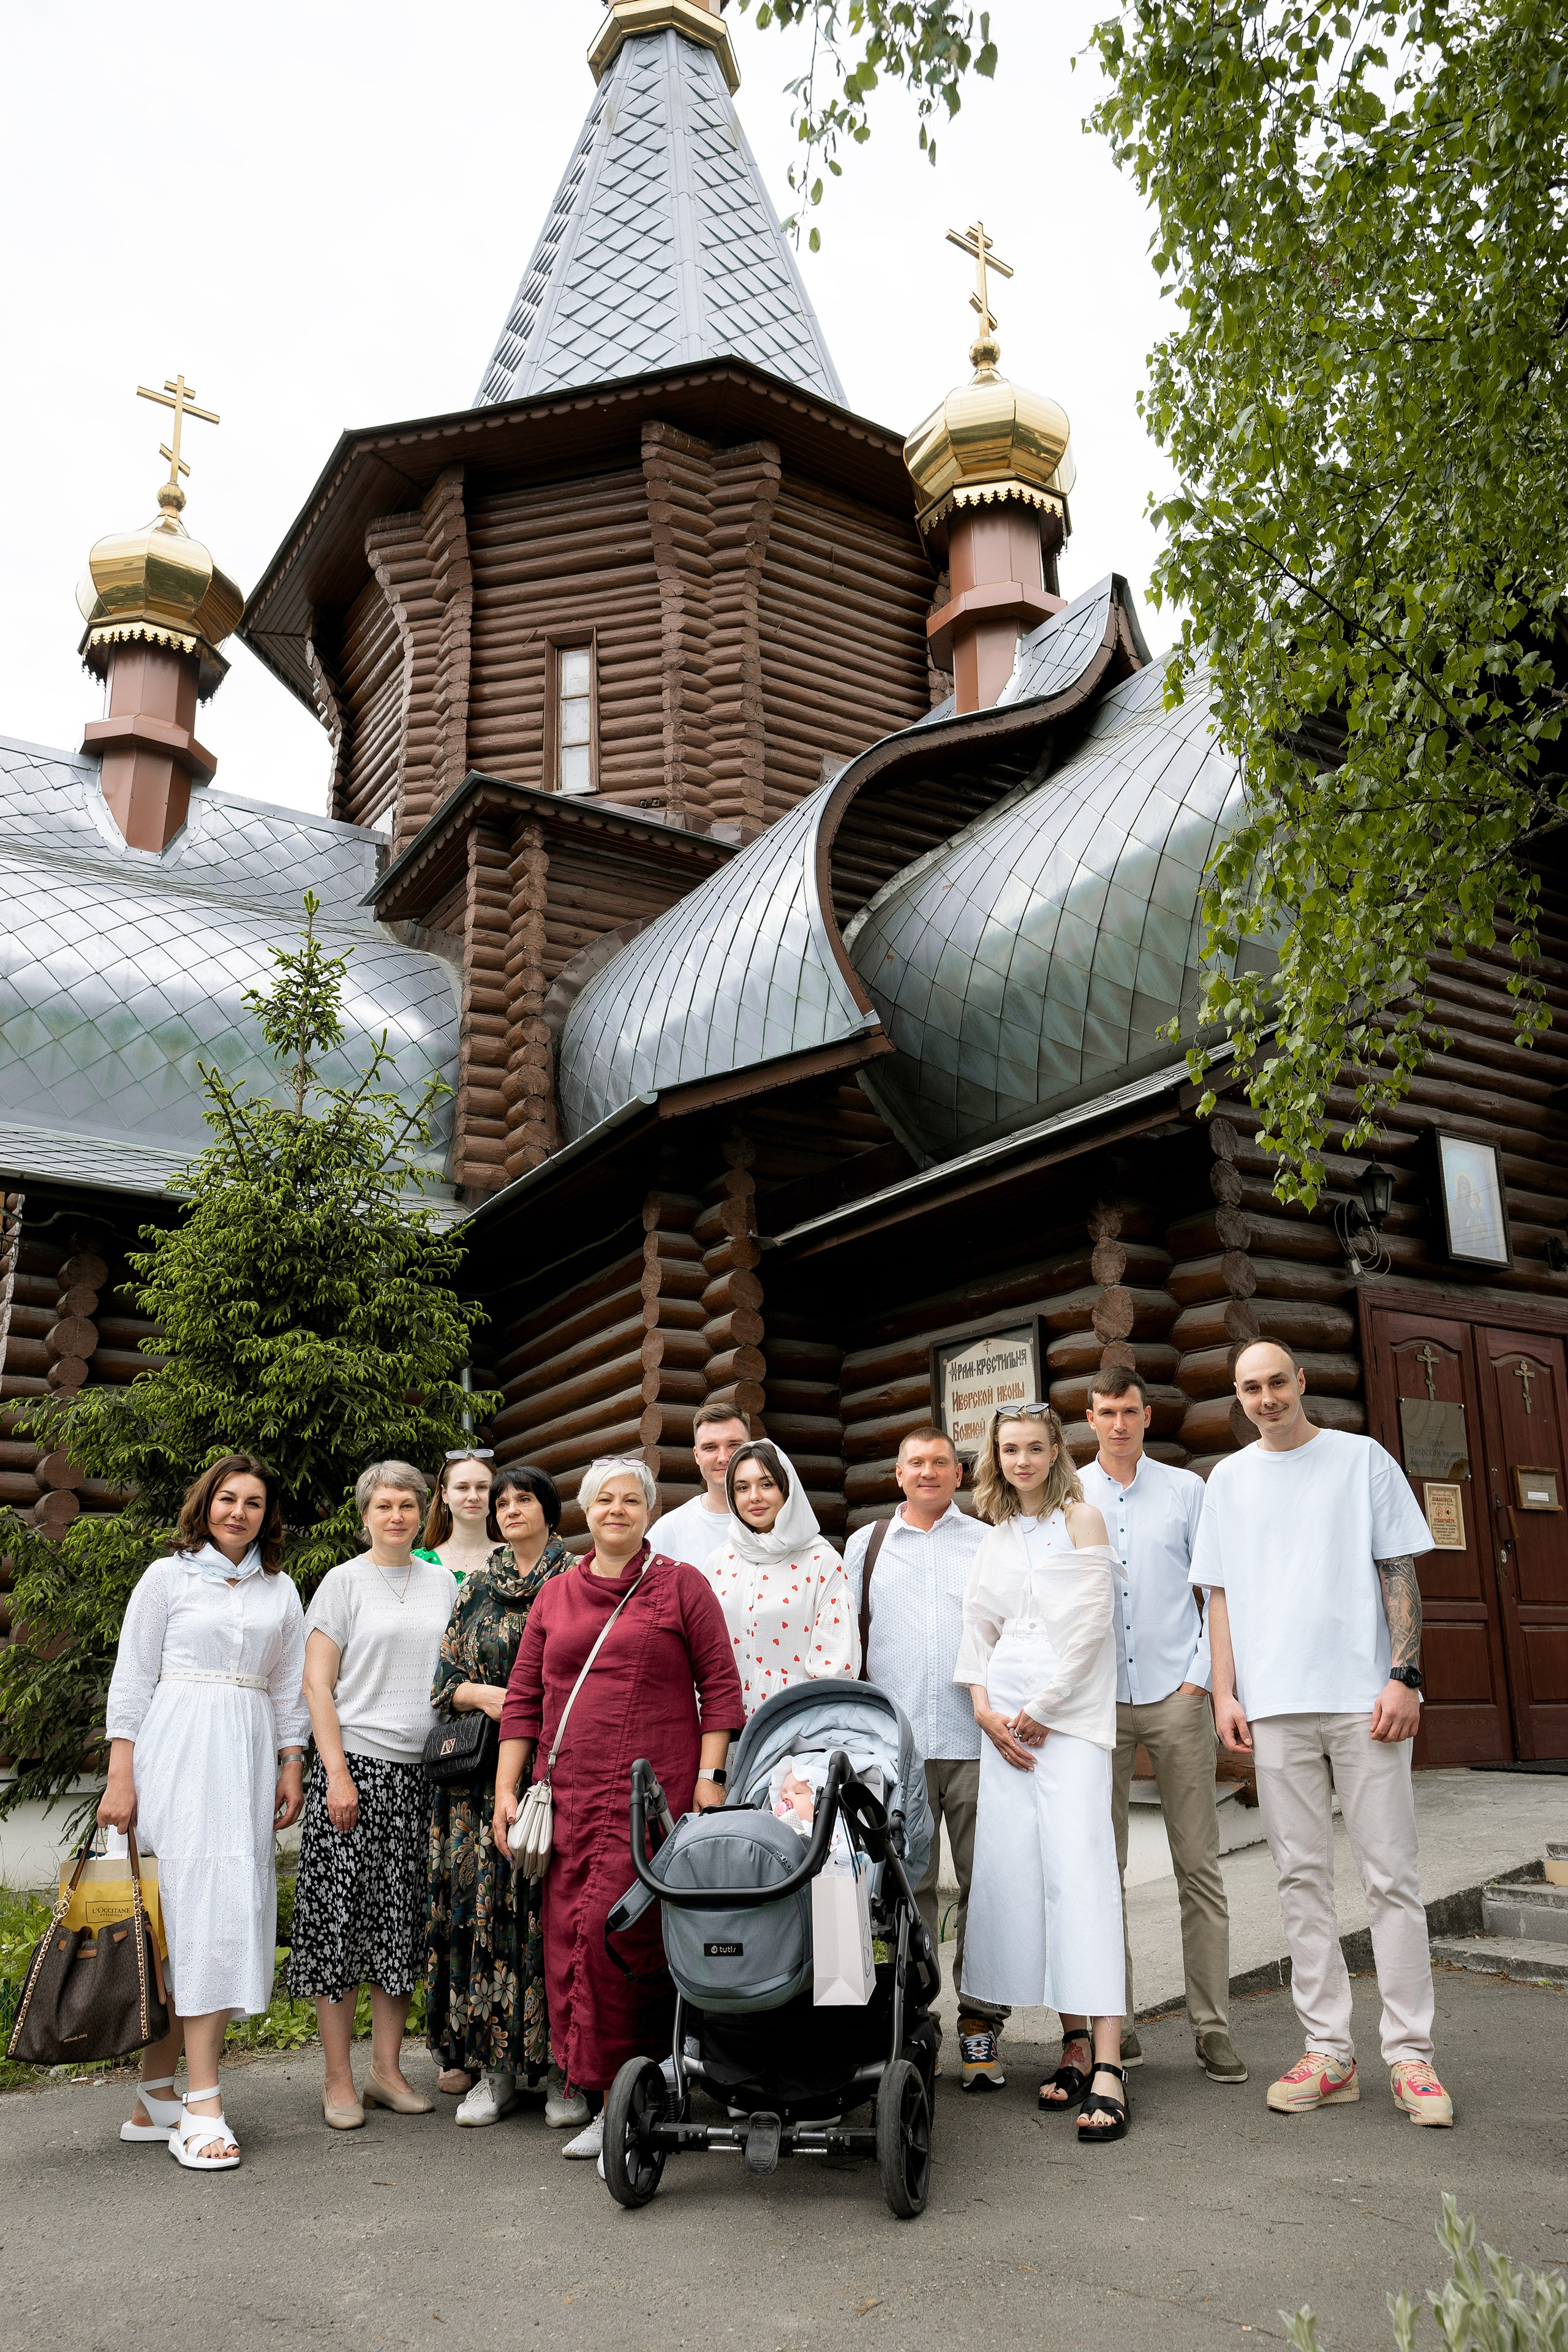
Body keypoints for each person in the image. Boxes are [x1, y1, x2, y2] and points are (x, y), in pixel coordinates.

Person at [1193, 1340, 1452, 2125]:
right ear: (1236, 1397)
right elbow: (1221, 1595)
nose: (1266, 1397)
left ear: (1301, 1383)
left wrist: (1403, 1675)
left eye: (1277, 1382)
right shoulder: (1228, 1481)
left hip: (1363, 1699)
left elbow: (1397, 1569)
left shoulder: (1360, 1459)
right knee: (1300, 1879)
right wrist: (1224, 1692)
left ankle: (1412, 2060)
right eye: (1250, 1387)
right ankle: (1328, 2054)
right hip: (1273, 1706)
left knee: (1390, 1878)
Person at [493, 1456, 742, 2167]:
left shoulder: (680, 1586)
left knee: (622, 1941)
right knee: (567, 1943)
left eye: (630, 1500)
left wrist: (710, 1778)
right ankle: (608, 2099)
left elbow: (719, 1687)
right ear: (585, 1510)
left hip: (650, 1796)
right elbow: (523, 1699)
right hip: (567, 1795)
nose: (616, 1510)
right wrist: (509, 1789)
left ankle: (633, 2104)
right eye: (604, 1500)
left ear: (647, 1512)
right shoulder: (557, 1596)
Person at [99, 1453, 307, 2171]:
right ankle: (201, 2104)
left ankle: (157, 2094)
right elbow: (132, 1675)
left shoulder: (281, 1590)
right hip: (175, 1749)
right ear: (205, 1502)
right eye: (227, 1498)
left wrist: (292, 1760)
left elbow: (288, 1686)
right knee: (177, 1912)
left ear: (266, 1515)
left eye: (253, 1503)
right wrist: (119, 1774)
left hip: (245, 1755)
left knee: (219, 1910)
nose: (238, 1512)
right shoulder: (168, 1577)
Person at [956, 1405, 1131, 2143]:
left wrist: (1043, 1708)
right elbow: (977, 1627)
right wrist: (984, 1709)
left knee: (1080, 1876)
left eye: (1034, 1447)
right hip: (1005, 1732)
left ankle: (1112, 2065)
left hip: (1068, 1725)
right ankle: (1073, 2044)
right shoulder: (997, 1534)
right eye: (1010, 1449)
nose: (1022, 1460)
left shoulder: (1082, 1520)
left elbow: (1093, 1625)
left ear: (1057, 1450)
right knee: (1025, 1878)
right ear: (996, 1457)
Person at [1079, 1366, 1245, 2086]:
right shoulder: (1067, 1494)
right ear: (1089, 1419)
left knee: (1198, 1868)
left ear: (1148, 1416)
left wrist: (1200, 1682)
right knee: (1100, 1871)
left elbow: (1215, 1592)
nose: (1119, 1423)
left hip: (1177, 1696)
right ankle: (1118, 2024)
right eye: (1106, 1412)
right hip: (1096, 1705)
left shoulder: (1187, 1491)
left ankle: (1211, 2026)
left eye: (1130, 1412)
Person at [843, 1425, 1008, 2095]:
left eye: (941, 1461)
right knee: (904, 1894)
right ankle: (911, 2024)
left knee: (984, 1889)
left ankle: (979, 2024)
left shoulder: (989, 1542)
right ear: (897, 1472)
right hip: (896, 1753)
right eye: (916, 1462)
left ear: (959, 1474)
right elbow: (847, 1641)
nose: (929, 1471)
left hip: (976, 1744)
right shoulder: (866, 1546)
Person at [290, 1461, 454, 2129]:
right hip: (356, 1771)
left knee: (399, 1928)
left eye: (407, 1506)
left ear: (422, 1513)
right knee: (339, 1930)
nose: (396, 1516)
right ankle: (337, 2081)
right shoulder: (342, 1583)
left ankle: (386, 2071)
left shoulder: (442, 1581)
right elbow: (315, 1685)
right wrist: (334, 1772)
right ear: (364, 1514)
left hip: (424, 1775)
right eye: (384, 1506)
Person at [426, 1464, 572, 2123]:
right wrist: (482, 1694)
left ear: (550, 1510)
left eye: (525, 1499)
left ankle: (568, 2072)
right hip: (480, 1782)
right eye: (503, 1501)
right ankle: (496, 2069)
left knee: (553, 1918)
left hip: (558, 1768)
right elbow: (443, 1682)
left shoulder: (577, 1578)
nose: (510, 1508)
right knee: (485, 1918)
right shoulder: (477, 1587)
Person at [701, 1439, 859, 1713]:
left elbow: (836, 1664)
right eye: (742, 1488)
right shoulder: (718, 1563)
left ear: (787, 1490)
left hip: (795, 1726)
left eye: (766, 1484)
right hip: (722, 1725)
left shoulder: (821, 1561)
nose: (754, 1497)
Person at [644, 1401, 752, 1568]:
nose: (723, 1457)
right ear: (696, 1455)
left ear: (751, 1448)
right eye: (711, 1448)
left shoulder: (778, 1519)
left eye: (734, 1445)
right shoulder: (670, 1529)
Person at [413, 1448, 496, 1585]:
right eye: (462, 1488)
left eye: (482, 1487)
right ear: (445, 1495)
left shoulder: (514, 1557)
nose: (473, 1497)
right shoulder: (420, 1564)